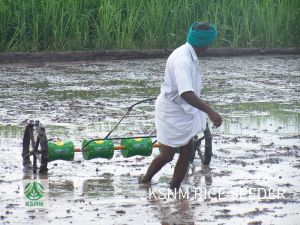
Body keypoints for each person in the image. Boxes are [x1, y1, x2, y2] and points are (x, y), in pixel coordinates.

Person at [139, 22, 222, 189]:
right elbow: (186, 93)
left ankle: (175, 187)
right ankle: (145, 179)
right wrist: (210, 111)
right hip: (171, 112)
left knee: (187, 149)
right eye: (210, 42)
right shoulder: (182, 59)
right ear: (204, 44)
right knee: (167, 155)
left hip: (183, 111)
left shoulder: (190, 54)